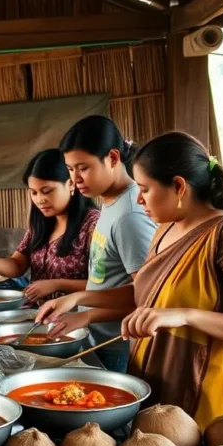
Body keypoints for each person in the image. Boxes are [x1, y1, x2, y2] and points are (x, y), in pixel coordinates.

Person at [46, 132, 223, 427]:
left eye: (145, 189)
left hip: (213, 400)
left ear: (178, 186)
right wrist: (79, 301)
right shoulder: (165, 228)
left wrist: (187, 316)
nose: (138, 199)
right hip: (159, 384)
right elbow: (148, 297)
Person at [34, 116, 157, 372]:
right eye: (70, 169)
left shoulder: (130, 215)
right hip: (99, 340)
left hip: (119, 345)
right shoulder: (111, 202)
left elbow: (148, 297)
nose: (75, 178)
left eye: (83, 167)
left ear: (113, 158)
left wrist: (85, 310)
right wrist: (77, 301)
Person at [0, 149, 99, 303]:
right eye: (33, 193)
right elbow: (17, 265)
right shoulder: (41, 223)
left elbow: (106, 285)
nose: (40, 199)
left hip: (76, 318)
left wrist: (57, 285)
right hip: (37, 315)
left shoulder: (93, 225)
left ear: (71, 184)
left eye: (47, 191)